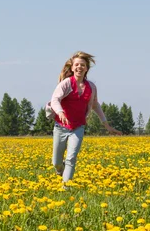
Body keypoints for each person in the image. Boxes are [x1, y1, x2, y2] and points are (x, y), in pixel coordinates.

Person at [47, 51, 121, 185]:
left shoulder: (91, 87)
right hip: (61, 127)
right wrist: (61, 113)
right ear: (72, 68)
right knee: (56, 163)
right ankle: (60, 171)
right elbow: (55, 99)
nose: (79, 67)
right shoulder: (66, 84)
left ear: (86, 68)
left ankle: (66, 187)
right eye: (77, 65)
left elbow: (94, 105)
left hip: (78, 127)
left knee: (71, 158)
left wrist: (106, 124)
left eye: (82, 65)